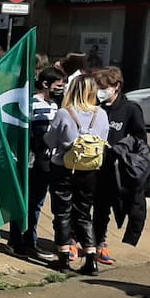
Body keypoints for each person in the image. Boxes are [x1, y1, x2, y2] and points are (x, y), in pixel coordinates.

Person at [44, 74, 109, 274]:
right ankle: (91, 258)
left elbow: (50, 141)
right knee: (84, 213)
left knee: (62, 212)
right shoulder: (102, 114)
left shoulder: (65, 113)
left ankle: (64, 257)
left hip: (64, 167)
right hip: (90, 170)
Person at [93, 67, 147, 259]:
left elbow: (140, 139)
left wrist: (120, 149)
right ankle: (80, 241)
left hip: (114, 168)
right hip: (92, 164)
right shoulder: (95, 106)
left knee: (103, 207)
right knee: (83, 205)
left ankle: (99, 243)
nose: (99, 90)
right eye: (97, 86)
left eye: (103, 86)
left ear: (116, 87)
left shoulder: (130, 109)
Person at [11, 67, 64, 258]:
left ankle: (30, 240)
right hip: (31, 162)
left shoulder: (56, 106)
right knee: (26, 202)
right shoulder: (31, 104)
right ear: (45, 84)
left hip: (48, 162)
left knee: (37, 204)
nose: (61, 89)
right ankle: (17, 240)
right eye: (58, 86)